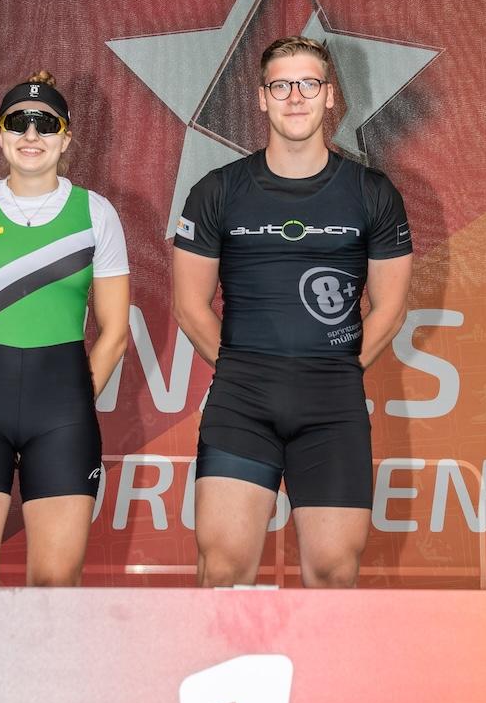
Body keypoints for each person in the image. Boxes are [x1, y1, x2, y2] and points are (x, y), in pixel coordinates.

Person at [172, 36, 412, 588]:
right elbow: (189, 307)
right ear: (261, 98)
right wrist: (242, 371)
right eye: (281, 86)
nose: (295, 97)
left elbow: (391, 308)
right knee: (223, 572)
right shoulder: (217, 191)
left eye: (308, 83)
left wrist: (338, 371)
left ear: (330, 95)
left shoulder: (373, 193)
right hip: (242, 403)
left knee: (334, 575)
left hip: (333, 406)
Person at [0, 71, 130, 586]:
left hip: (61, 412)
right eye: (18, 122)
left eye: (45, 123)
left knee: (55, 586)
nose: (31, 135)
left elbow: (115, 332)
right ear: (0, 136)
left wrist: (72, 398)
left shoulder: (96, 214)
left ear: (66, 138)